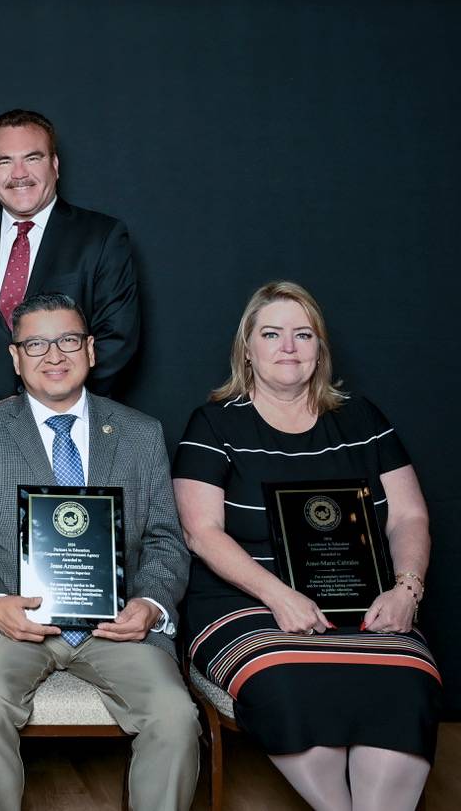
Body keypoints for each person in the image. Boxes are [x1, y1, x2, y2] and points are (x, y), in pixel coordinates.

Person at [173, 281, 440, 811]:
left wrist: (408, 588)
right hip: (246, 604)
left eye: (303, 334)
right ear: (246, 347)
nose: (288, 347)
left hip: (364, 603)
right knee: (291, 681)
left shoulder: (362, 420)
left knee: (408, 684)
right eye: (271, 334)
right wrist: (281, 597)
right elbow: (200, 532)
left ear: (321, 348)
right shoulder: (214, 424)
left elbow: (410, 515)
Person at [0, 293, 198, 811]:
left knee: (175, 714)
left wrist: (149, 606)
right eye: (36, 343)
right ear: (15, 357)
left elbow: (165, 540)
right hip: (14, 626)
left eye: (67, 340)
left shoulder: (140, 433)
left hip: (116, 626)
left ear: (90, 351)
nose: (53, 355)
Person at [0, 108, 139, 455]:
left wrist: (55, 406)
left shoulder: (101, 237)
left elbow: (116, 336)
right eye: (4, 162)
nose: (19, 174)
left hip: (72, 430)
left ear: (54, 165)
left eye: (32, 158)